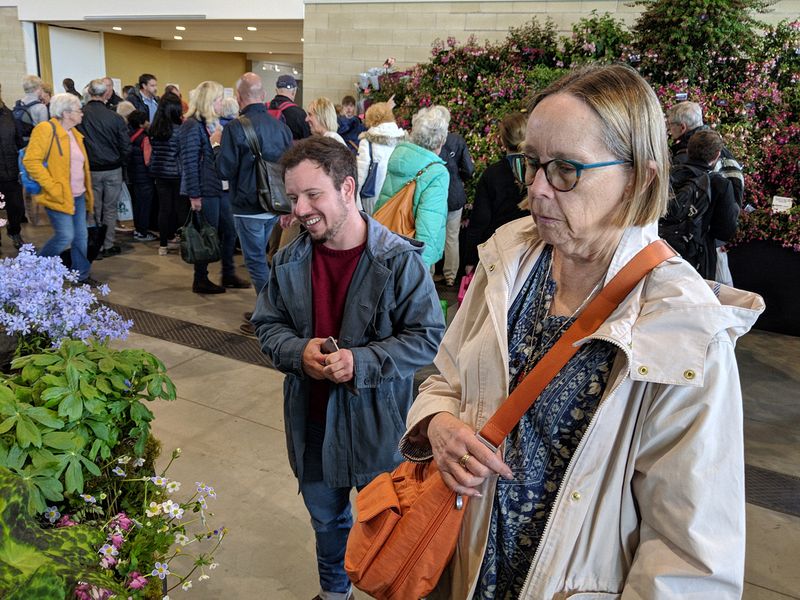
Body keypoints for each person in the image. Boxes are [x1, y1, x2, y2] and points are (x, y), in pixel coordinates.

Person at [400, 64, 764, 599]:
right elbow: (444, 377)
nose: (537, 190)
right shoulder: (509, 260)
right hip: (464, 569)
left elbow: (690, 560)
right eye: (532, 163)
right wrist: (436, 424)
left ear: (640, 176)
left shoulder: (682, 329)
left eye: (566, 170)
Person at [252, 136, 445, 600]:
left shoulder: (399, 261)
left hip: (379, 427)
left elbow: (426, 337)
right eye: (294, 196)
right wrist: (299, 353)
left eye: (312, 194)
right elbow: (267, 326)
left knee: (387, 528)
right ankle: (334, 592)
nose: (300, 208)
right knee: (327, 523)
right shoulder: (288, 260)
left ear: (347, 189)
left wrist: (360, 361)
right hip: (312, 423)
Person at [213, 72, 293, 333]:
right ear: (263, 97)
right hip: (274, 205)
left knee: (256, 262)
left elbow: (224, 169)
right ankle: (269, 309)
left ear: (239, 98)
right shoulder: (280, 126)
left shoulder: (236, 127)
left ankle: (269, 317)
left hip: (247, 206)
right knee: (266, 259)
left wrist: (216, 146)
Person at [177, 80, 248, 294]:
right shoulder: (192, 125)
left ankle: (228, 273)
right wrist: (194, 195)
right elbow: (189, 162)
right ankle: (201, 278)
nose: (221, 104)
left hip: (220, 187)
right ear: (208, 102)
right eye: (218, 100)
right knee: (207, 234)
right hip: (205, 189)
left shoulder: (212, 124)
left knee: (229, 230)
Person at [23, 93, 99, 286]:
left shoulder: (75, 134)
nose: (82, 113)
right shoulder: (46, 130)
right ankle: (34, 268)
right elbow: (31, 161)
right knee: (66, 235)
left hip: (78, 195)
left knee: (81, 237)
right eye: (78, 110)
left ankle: (80, 275)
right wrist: (52, 186)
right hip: (57, 196)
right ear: (66, 113)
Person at [666, 101, 743, 285]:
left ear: (682, 128)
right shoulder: (724, 156)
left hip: (674, 246)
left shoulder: (676, 163)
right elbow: (728, 219)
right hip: (704, 247)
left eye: (670, 126)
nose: (669, 131)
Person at [373, 105, 450, 268]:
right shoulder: (437, 172)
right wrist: (422, 266)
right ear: (441, 140)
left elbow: (385, 200)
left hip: (384, 242)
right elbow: (429, 226)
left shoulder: (399, 157)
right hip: (409, 256)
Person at [461, 112, 529, 273]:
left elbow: (480, 221)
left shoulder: (492, 174)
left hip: (498, 252)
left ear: (503, 141)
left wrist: (471, 259)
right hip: (531, 250)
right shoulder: (542, 171)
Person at [77, 79, 131, 257]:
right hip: (113, 169)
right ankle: (107, 244)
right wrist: (120, 160)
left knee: (93, 208)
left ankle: (95, 246)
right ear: (105, 94)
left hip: (90, 170)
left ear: (89, 93)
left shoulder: (80, 116)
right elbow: (126, 145)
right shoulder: (115, 117)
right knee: (110, 208)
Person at [438, 113, 475, 286]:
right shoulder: (457, 140)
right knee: (452, 237)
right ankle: (451, 276)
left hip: (435, 194)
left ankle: (428, 273)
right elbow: (469, 168)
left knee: (431, 233)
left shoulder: (430, 140)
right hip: (454, 193)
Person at [149, 92, 186, 256]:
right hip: (177, 173)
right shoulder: (180, 130)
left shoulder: (154, 128)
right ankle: (183, 243)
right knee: (181, 209)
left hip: (159, 172)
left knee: (164, 209)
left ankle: (163, 245)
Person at [355, 100, 406, 215]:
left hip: (374, 198)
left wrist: (357, 205)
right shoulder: (402, 140)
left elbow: (359, 175)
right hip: (397, 196)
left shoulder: (367, 142)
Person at [126, 110, 158, 242]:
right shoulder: (144, 137)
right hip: (145, 176)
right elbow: (147, 159)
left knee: (137, 203)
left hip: (133, 175)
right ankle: (143, 232)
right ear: (141, 123)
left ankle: (137, 229)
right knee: (145, 205)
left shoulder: (129, 134)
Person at [0, 83, 25, 249]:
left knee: (16, 207)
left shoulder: (9, 115)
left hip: (11, 171)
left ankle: (14, 231)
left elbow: (19, 141)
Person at [268, 74, 310, 141]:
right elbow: (307, 140)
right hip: (291, 151)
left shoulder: (264, 109)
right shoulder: (299, 113)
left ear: (276, 90)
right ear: (294, 92)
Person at [14, 75, 49, 141]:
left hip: (20, 143)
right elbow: (44, 132)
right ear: (38, 89)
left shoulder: (17, 103)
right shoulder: (41, 107)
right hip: (34, 143)